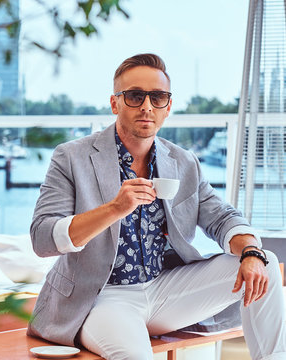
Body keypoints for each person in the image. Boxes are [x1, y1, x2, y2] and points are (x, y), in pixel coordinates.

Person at [27, 53, 286, 360]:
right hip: (102, 298)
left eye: (157, 97)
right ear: (115, 104)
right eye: (135, 96)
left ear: (167, 108)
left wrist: (250, 252)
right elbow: (42, 238)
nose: (147, 106)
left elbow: (222, 217)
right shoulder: (71, 157)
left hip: (166, 290)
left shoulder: (184, 162)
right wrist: (114, 209)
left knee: (264, 262)